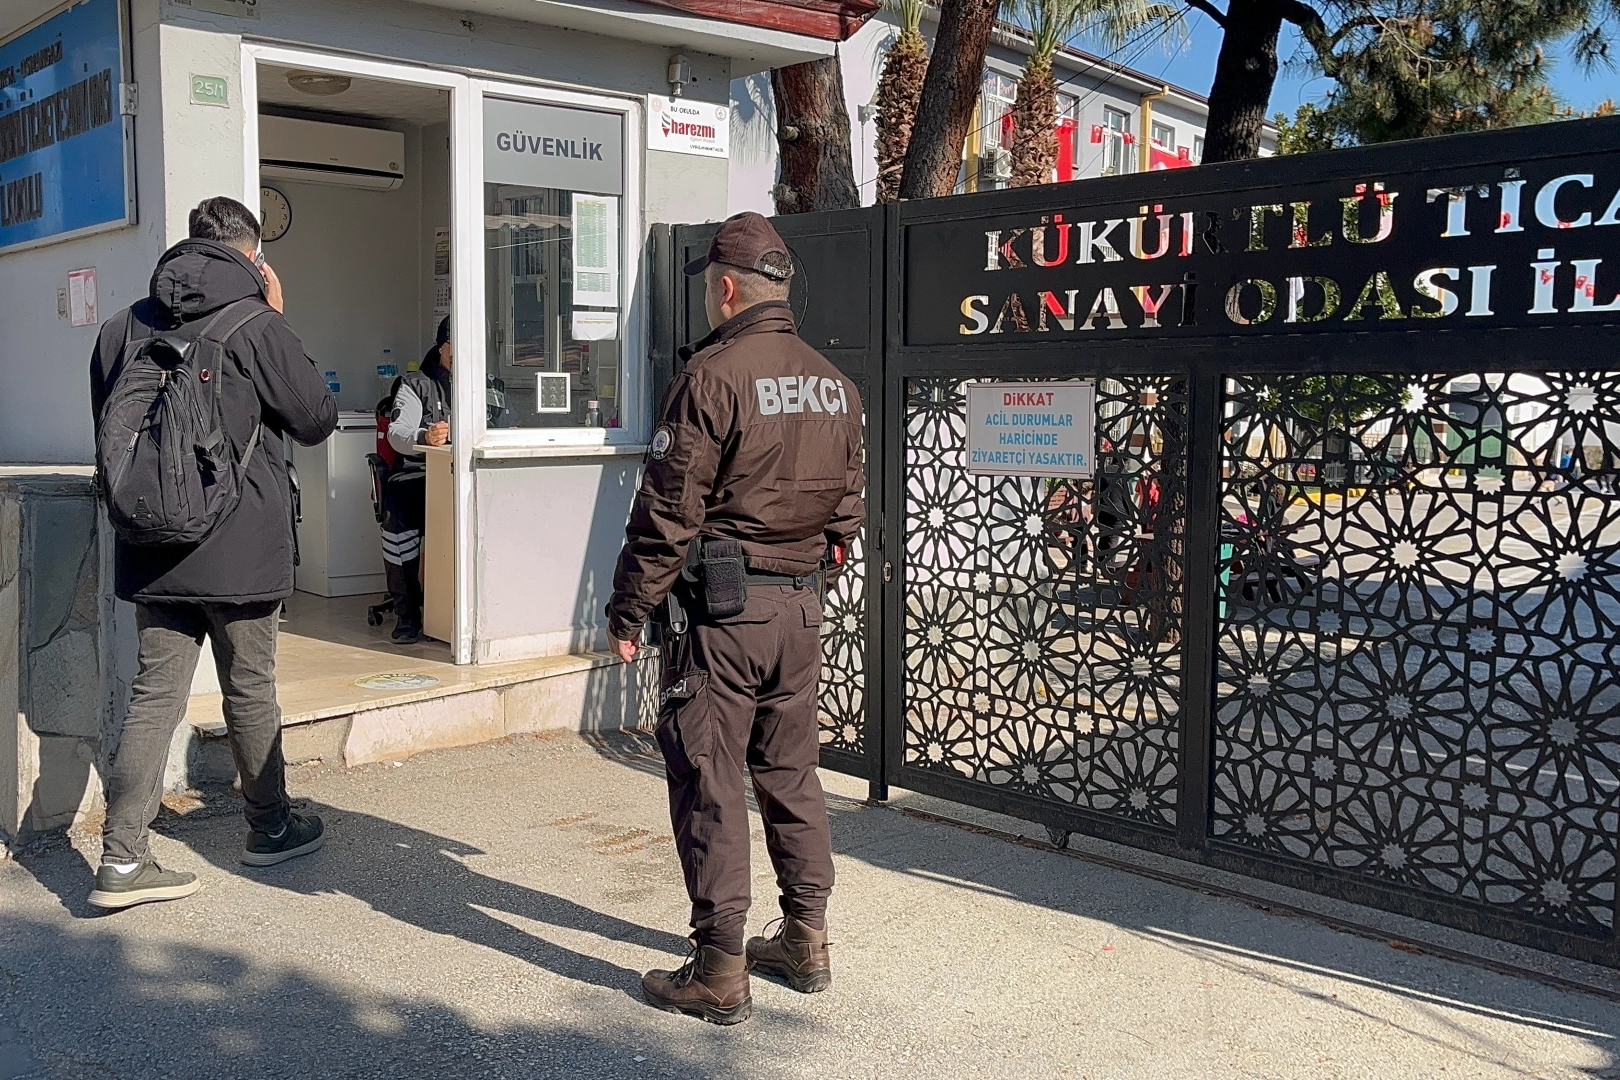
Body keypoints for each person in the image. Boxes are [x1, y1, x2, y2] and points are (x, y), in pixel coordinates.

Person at [604, 212, 865, 1026]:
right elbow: (847, 516)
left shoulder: (712, 377)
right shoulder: (836, 383)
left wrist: (629, 608)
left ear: (724, 288)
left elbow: (668, 509)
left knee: (710, 778)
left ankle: (720, 969)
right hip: (799, 610)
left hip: (722, 616)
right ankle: (807, 939)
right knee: (790, 772)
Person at [88, 196, 338, 909]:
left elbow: (109, 431)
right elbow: (316, 419)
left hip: (153, 542)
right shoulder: (257, 323)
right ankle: (270, 828)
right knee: (249, 686)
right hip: (242, 544)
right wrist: (277, 316)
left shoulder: (121, 326)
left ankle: (122, 859)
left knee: (155, 694)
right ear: (253, 256)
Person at [381, 317, 452, 643]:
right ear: (442, 348)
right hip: (417, 473)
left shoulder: (487, 383)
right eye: (455, 346)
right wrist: (425, 436)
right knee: (398, 510)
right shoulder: (415, 385)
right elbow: (397, 433)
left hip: (465, 476)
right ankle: (407, 615)